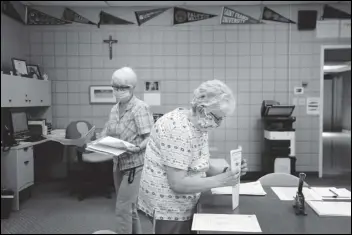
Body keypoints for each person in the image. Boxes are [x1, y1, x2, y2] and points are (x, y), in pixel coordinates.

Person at [137, 80, 248, 234]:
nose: (219, 123)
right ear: (202, 109)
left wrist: (227, 171)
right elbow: (178, 184)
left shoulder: (200, 126)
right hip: (169, 208)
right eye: (218, 117)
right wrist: (222, 180)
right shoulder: (177, 129)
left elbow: (200, 165)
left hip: (188, 202)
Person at [100, 67, 154, 234]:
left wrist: (137, 147)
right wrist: (97, 140)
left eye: (123, 87)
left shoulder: (139, 108)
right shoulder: (115, 109)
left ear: (132, 88)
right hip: (118, 162)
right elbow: (108, 131)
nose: (118, 91)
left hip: (135, 165)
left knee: (123, 208)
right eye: (115, 87)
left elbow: (150, 137)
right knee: (130, 209)